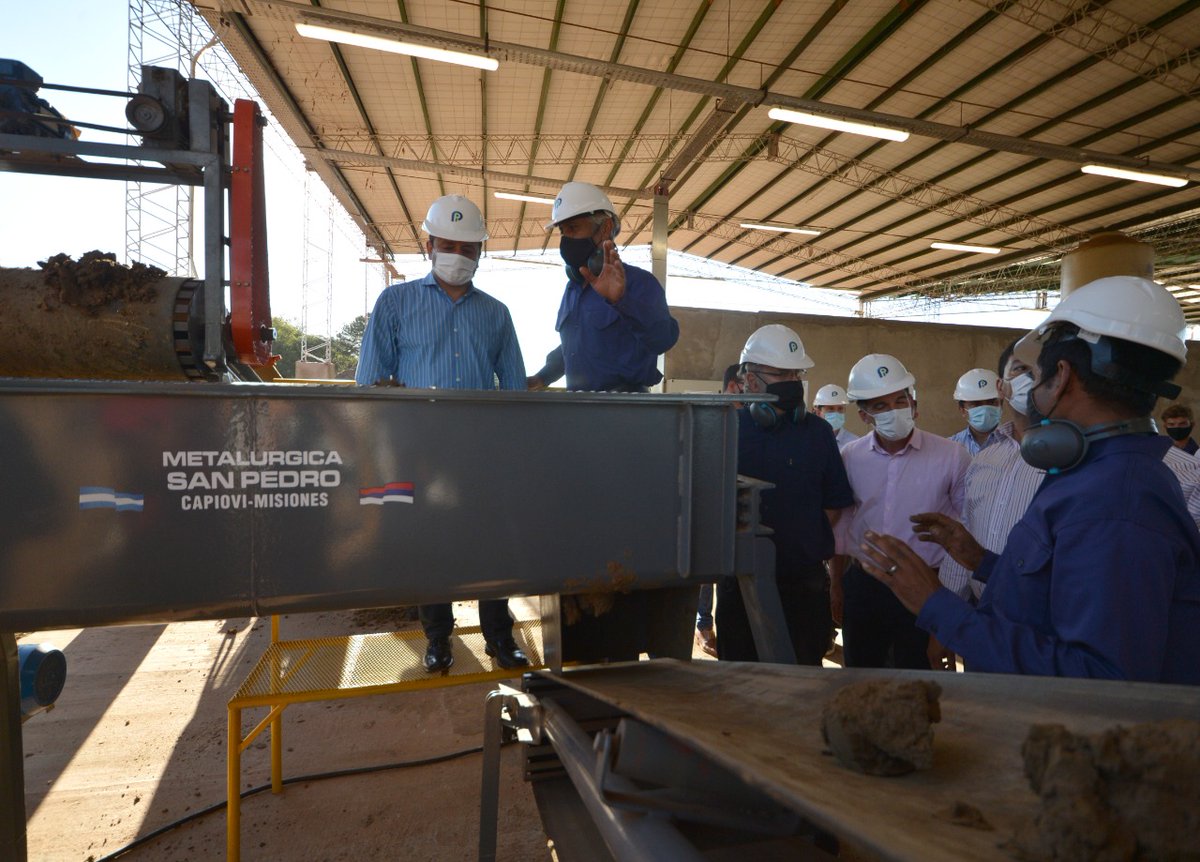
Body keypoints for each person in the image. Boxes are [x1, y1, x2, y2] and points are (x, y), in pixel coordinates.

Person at [861, 276, 1200, 684]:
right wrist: (980, 561)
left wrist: (935, 605)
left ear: (1062, 375)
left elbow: (1097, 679)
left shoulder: (1117, 500)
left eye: (1036, 375)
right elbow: (1063, 595)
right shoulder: (1101, 472)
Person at [356, 194, 529, 673]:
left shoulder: (496, 314)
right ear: (428, 243)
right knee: (431, 541)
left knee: (492, 540)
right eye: (448, 243)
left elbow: (513, 388)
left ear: (480, 253)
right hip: (418, 445)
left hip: (480, 447)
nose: (458, 254)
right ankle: (438, 638)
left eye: (469, 246)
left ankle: (499, 636)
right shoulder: (396, 302)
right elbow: (370, 380)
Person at [943, 339, 1200, 606]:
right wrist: (946, 613)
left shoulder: (1105, 461)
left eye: (1045, 371)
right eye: (1021, 370)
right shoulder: (984, 459)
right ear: (1002, 386)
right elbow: (967, 534)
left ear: (1064, 378)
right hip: (985, 614)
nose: (1034, 380)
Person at [715, 325, 854, 664]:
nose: (791, 380)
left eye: (795, 372)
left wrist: (800, 539)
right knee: (740, 685)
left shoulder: (819, 433)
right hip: (740, 586)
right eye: (780, 373)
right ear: (749, 378)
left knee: (803, 684)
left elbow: (834, 505)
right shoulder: (725, 430)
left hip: (803, 586)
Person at [830, 354, 970, 671]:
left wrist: (949, 606)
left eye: (899, 400)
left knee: (920, 676)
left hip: (927, 584)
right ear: (864, 415)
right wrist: (836, 583)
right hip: (864, 586)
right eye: (880, 406)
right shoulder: (850, 457)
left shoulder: (951, 456)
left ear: (912, 401)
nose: (894, 411)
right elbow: (843, 526)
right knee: (860, 676)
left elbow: (965, 535)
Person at [527, 182, 679, 392]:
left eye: (573, 228)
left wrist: (622, 301)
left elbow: (663, 339)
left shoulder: (639, 282)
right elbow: (576, 346)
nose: (566, 240)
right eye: (562, 231)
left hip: (626, 410)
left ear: (605, 228)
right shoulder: (573, 289)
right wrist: (543, 377)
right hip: (579, 408)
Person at [695, 364, 743, 657]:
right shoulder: (712, 415)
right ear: (734, 386)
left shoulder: (751, 419)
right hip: (710, 506)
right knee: (704, 574)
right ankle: (703, 624)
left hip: (739, 510)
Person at [948, 369, 1003, 456]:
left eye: (991, 402)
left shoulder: (1016, 445)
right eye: (976, 404)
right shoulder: (950, 447)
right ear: (962, 410)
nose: (985, 409)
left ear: (1001, 406)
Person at [812, 384, 859, 449]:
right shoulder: (809, 440)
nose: (836, 413)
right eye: (830, 409)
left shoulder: (855, 444)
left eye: (840, 408)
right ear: (818, 412)